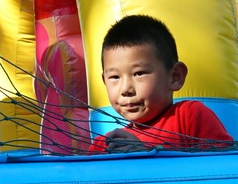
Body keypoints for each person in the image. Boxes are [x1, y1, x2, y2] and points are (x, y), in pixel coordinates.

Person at [89, 15, 234, 153]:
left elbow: (223, 169)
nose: (126, 89)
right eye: (114, 77)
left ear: (175, 77)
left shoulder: (189, 117)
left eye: (139, 73)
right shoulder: (105, 144)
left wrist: (148, 156)